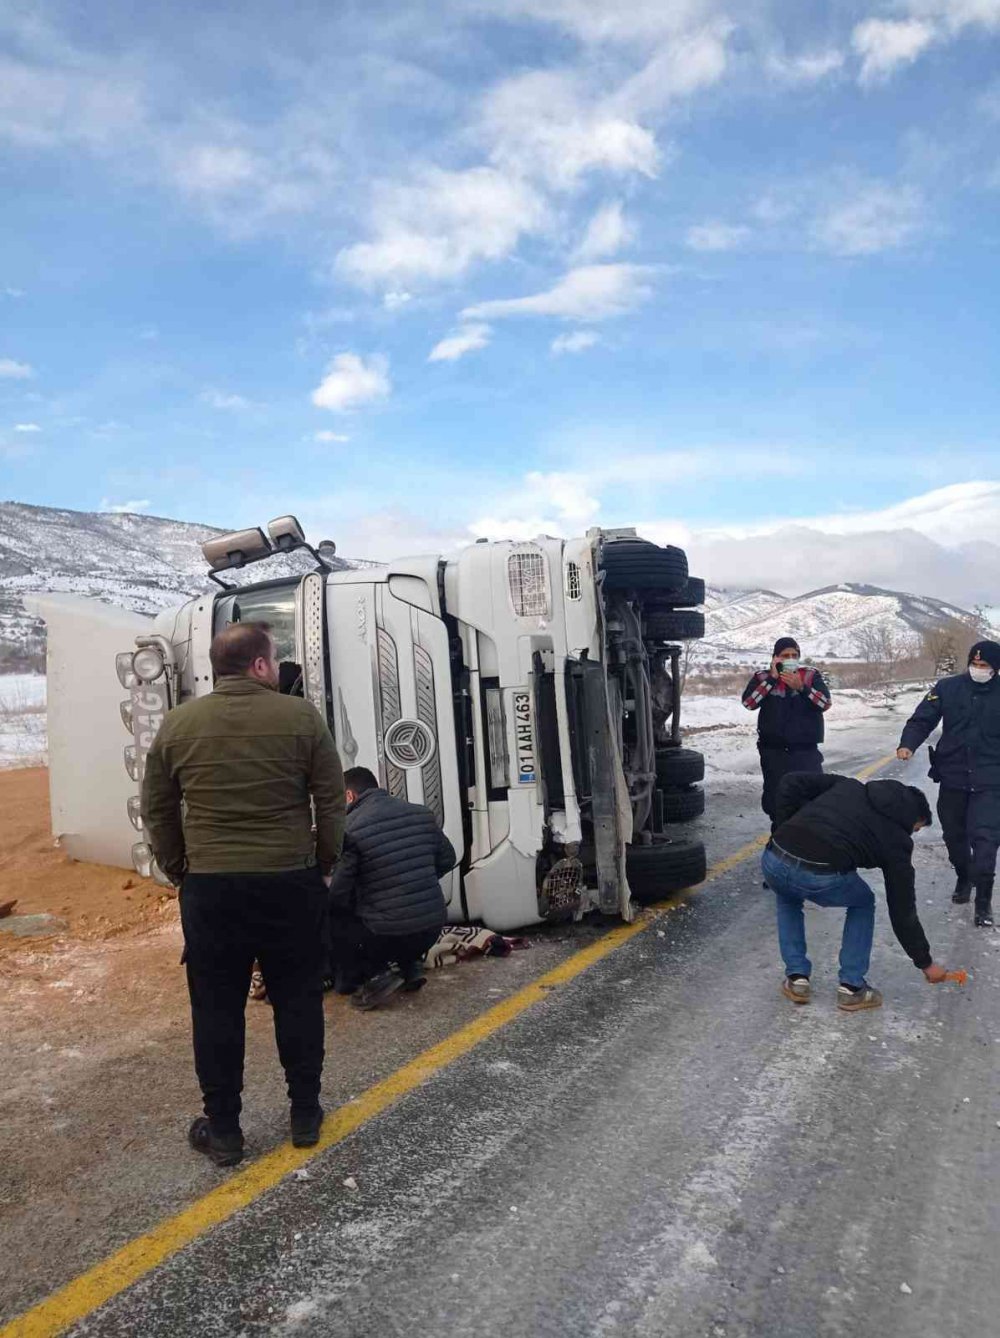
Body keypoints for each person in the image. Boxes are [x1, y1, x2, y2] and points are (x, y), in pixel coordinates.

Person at [141, 622, 345, 1167]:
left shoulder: (179, 725)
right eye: (274, 661)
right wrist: (324, 864)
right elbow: (330, 803)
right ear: (259, 665)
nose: (277, 670)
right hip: (289, 883)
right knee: (298, 997)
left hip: (212, 890)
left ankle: (225, 1130)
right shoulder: (301, 718)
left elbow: (157, 810)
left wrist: (180, 867)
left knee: (216, 1009)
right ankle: (304, 1113)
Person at [760, 771, 949, 1011]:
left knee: (788, 895)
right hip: (817, 873)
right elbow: (903, 911)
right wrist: (926, 963)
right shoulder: (897, 842)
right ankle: (851, 987)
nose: (912, 834)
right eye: (916, 828)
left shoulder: (848, 786)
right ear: (913, 817)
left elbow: (790, 781)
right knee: (863, 902)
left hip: (774, 858)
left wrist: (785, 827)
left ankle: (797, 979)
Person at [328, 766, 456, 1011]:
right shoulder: (420, 814)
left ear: (349, 796)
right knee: (393, 908)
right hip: (431, 927)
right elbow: (448, 859)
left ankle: (375, 976)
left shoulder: (349, 829)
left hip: (387, 934)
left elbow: (337, 895)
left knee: (335, 916)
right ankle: (410, 967)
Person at [897, 639, 1000, 928]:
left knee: (986, 840)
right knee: (954, 837)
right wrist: (908, 744)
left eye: (985, 666)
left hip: (991, 779)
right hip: (953, 775)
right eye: (975, 664)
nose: (978, 669)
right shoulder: (947, 688)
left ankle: (984, 903)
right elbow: (921, 719)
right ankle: (964, 877)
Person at [742, 637, 832, 826]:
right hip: (774, 752)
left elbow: (824, 703)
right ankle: (780, 841)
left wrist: (801, 688)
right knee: (777, 800)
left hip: (805, 751)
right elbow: (749, 703)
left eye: (794, 655)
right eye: (785, 655)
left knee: (811, 796)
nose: (790, 658)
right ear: (775, 658)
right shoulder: (762, 677)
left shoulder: (810, 675)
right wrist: (772, 680)